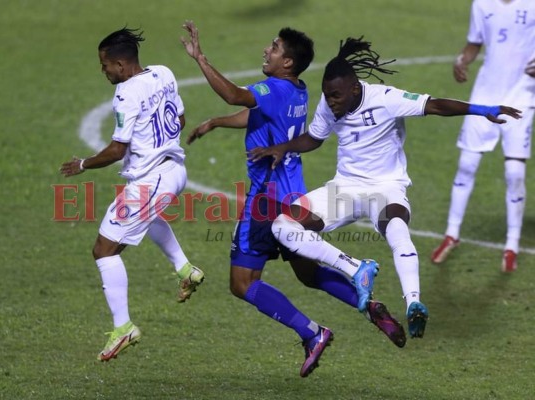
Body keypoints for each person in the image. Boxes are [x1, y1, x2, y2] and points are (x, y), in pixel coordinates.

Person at [249, 37, 522, 339]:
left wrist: (483, 109)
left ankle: (414, 303)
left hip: (386, 188)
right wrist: (283, 147)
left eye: (337, 96)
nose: (331, 102)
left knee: (396, 229)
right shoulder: (331, 101)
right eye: (328, 95)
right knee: (283, 227)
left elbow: (434, 105)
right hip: (345, 189)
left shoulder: (385, 98)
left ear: (355, 88)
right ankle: (356, 269)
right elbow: (315, 137)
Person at [181, 21, 406, 377]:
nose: (266, 51)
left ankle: (312, 332)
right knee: (308, 274)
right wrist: (217, 122)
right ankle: (369, 306)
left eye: (274, 47)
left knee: (242, 283)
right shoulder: (298, 90)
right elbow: (255, 113)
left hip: (265, 201)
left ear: (287, 62)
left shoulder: (272, 88)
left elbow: (236, 96)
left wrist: (200, 58)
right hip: (295, 197)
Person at [60, 27, 205, 362]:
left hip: (150, 181)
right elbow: (180, 119)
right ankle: (185, 269)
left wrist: (83, 164)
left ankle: (122, 326)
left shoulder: (125, 92)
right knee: (146, 219)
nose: (104, 71)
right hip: (175, 172)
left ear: (122, 65)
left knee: (105, 249)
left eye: (105, 65)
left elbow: (115, 149)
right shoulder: (163, 72)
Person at [431, 0, 535, 272]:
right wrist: (462, 60)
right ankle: (451, 234)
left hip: (522, 94)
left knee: (515, 173)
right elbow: (474, 43)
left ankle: (511, 244)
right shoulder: (482, 3)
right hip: (485, 94)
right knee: (467, 164)